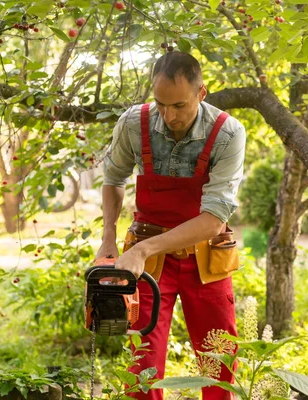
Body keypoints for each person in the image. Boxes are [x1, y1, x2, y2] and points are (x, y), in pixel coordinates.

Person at [96, 51, 246, 400]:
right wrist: (108, 240)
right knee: (141, 367)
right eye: (160, 104)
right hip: (150, 265)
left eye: (178, 105)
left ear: (201, 93)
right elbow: (113, 178)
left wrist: (142, 249)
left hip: (206, 258)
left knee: (219, 364)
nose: (168, 115)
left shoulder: (228, 134)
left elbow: (213, 219)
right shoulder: (134, 123)